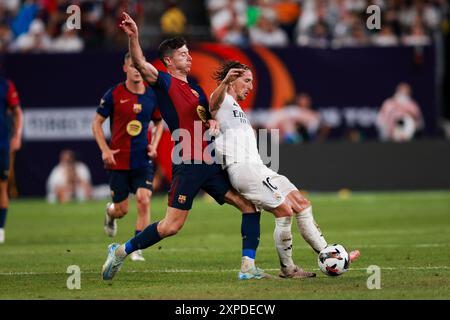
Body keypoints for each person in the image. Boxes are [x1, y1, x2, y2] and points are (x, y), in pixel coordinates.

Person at [101, 12, 273, 281]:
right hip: (188, 161)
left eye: (189, 52)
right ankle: (121, 251)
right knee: (171, 226)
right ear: (169, 61)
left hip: (209, 160)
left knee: (249, 206)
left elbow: (209, 116)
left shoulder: (197, 90)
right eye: (182, 54)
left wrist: (214, 124)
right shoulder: (164, 82)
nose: (189, 56)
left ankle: (248, 267)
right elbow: (140, 63)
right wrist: (133, 36)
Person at [209, 61, 360, 278]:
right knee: (284, 211)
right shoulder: (222, 99)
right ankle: (288, 269)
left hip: (259, 168)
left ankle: (329, 254)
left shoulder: (236, 108)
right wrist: (224, 82)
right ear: (233, 78)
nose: (250, 86)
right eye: (247, 80)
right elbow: (212, 103)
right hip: (243, 169)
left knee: (302, 204)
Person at [92, 52, 164, 262]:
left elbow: (159, 122)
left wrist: (154, 145)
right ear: (125, 68)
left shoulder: (151, 96)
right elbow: (96, 122)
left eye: (138, 66)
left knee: (144, 199)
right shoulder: (114, 94)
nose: (136, 70)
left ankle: (137, 247)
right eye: (132, 66)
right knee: (122, 210)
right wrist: (105, 150)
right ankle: (110, 212)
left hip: (142, 160)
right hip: (118, 161)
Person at [0, 75, 23, 244]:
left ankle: (0, 228)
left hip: (1, 143)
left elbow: (17, 111)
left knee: (2, 185)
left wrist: (17, 135)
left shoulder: (6, 85)